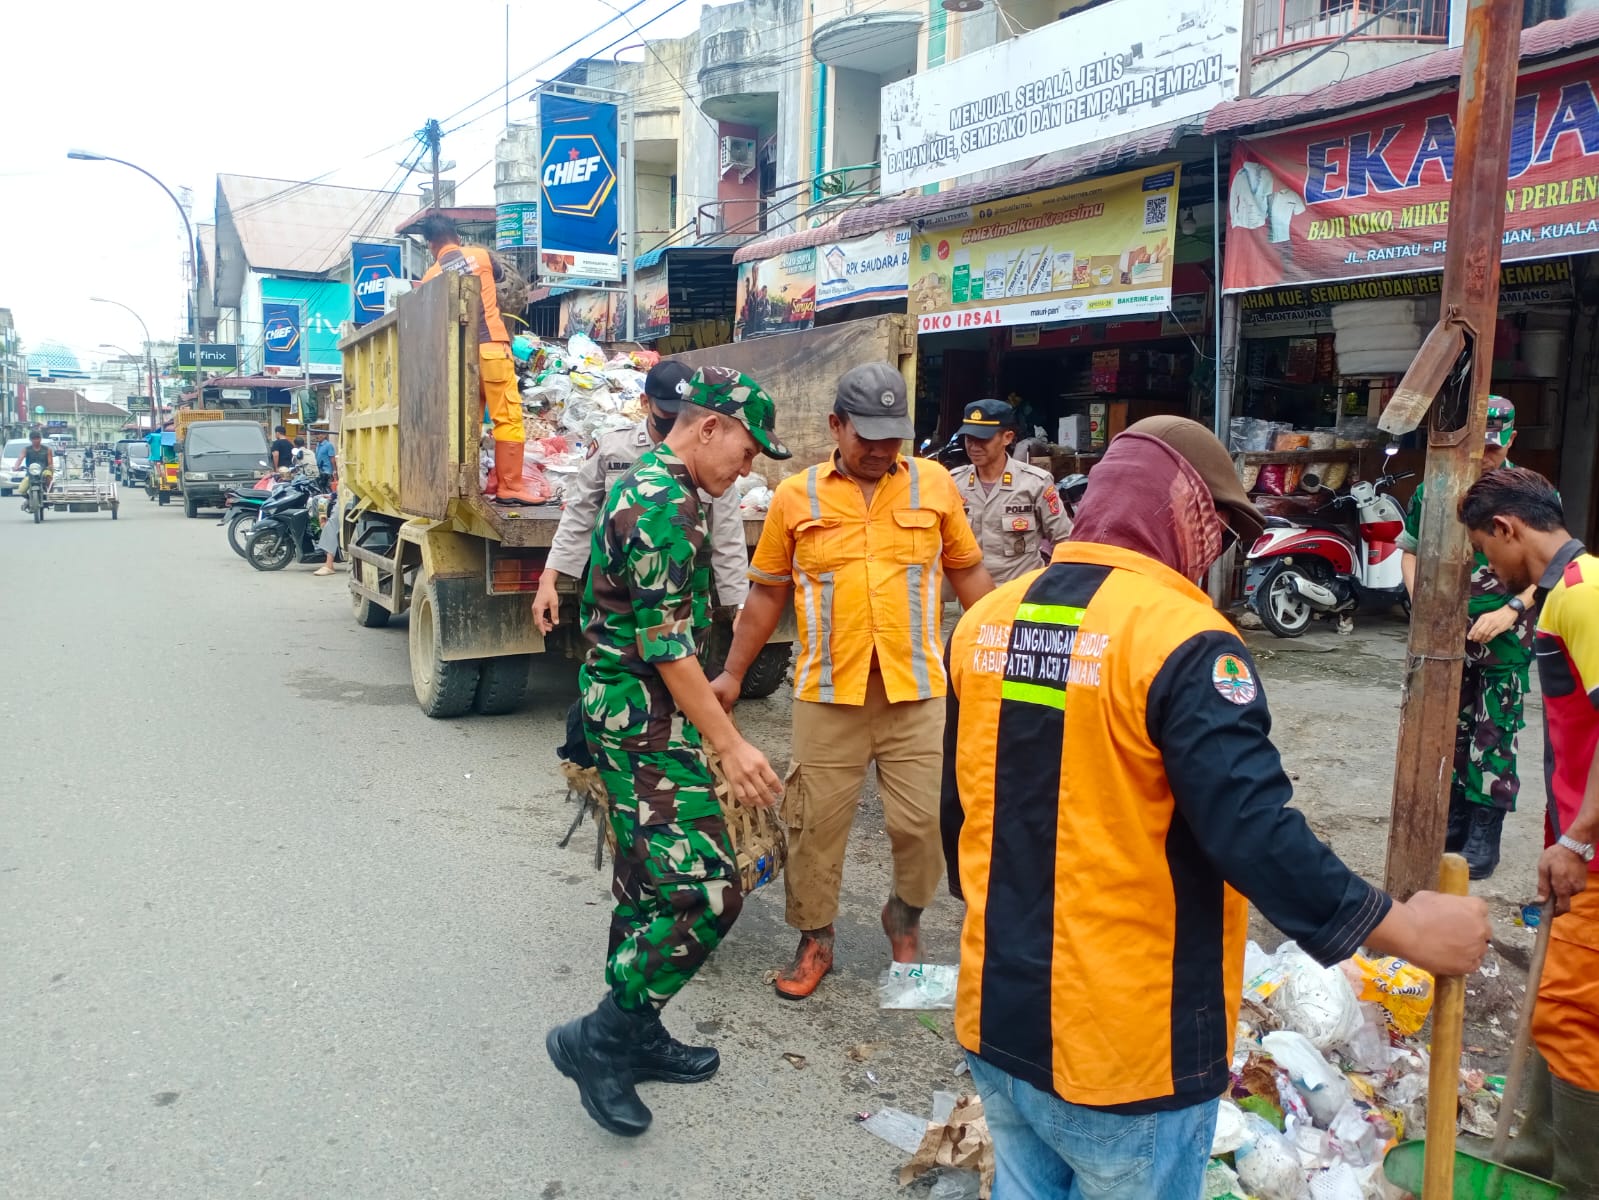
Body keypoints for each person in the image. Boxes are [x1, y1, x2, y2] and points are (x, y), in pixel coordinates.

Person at [942, 416, 1493, 1199]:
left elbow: (957, 826)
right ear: (1180, 511)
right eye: (1219, 526)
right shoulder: (1183, 639)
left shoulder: (986, 623)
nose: (1218, 551)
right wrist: (1407, 932)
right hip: (1122, 1053)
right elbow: (1255, 831)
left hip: (995, 1018)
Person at [545, 367, 790, 1137]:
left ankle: (636, 1030)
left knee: (647, 879)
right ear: (709, 425)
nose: (746, 471)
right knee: (710, 888)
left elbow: (661, 631)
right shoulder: (658, 500)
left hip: (641, 706)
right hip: (637, 715)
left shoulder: (675, 490)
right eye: (747, 453)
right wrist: (732, 745)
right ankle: (606, 1038)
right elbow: (663, 645)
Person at [711, 362, 995, 999]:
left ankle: (906, 919)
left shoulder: (935, 488)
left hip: (917, 691)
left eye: (892, 436)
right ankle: (816, 939)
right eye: (866, 435)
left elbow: (972, 581)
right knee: (815, 825)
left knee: (922, 824)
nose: (879, 450)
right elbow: (765, 599)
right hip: (826, 693)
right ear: (836, 426)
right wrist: (731, 675)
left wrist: (1003, 656)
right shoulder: (796, 498)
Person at [1458, 467, 1599, 1196]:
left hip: (1592, 851)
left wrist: (1577, 840)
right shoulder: (1552, 598)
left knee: (1574, 1017)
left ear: (1508, 528)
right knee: (1557, 1002)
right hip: (1576, 845)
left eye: (1485, 546)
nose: (1486, 564)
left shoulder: (1584, 595)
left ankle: (1575, 1179)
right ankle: (1536, 1157)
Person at [1398, 397, 1534, 879]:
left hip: (1504, 637)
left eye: (1495, 449)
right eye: (1480, 447)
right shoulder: (1436, 489)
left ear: (1512, 440)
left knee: (1492, 734)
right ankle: (1454, 819)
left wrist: (1510, 609)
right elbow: (1410, 552)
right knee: (1451, 729)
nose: (1486, 459)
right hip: (1447, 635)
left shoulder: (1531, 494)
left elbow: (1552, 567)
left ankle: (1484, 833)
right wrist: (1424, 605)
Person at [532, 362, 749, 634]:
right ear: (645, 402)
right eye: (669, 411)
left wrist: (740, 606)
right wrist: (549, 578)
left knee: (683, 668)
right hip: (619, 606)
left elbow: (728, 537)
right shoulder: (613, 450)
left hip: (683, 605)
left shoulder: (710, 460)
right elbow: (579, 516)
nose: (676, 422)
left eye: (684, 413)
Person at [417, 212, 539, 504]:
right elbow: (501, 280)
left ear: (430, 245)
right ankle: (509, 486)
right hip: (493, 350)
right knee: (506, 417)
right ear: (457, 238)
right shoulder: (482, 256)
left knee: (466, 425)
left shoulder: (429, 278)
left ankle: (466, 485)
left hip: (459, 362)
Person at [951, 398, 1073, 584]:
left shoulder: (1034, 483)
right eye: (969, 439)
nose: (974, 447)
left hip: (1018, 596)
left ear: (1007, 437)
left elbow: (1065, 540)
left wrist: (1054, 587)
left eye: (983, 439)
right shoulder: (953, 483)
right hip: (970, 599)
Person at [14, 429, 53, 505]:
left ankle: (49, 494)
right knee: (21, 490)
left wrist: (50, 468)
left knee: (48, 476)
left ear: (40, 439)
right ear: (30, 440)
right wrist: (16, 467)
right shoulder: (26, 449)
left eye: (37, 438)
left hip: (44, 470)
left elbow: (50, 462)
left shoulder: (47, 450)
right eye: (34, 439)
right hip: (31, 472)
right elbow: (20, 459)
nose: (36, 440)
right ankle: (29, 500)